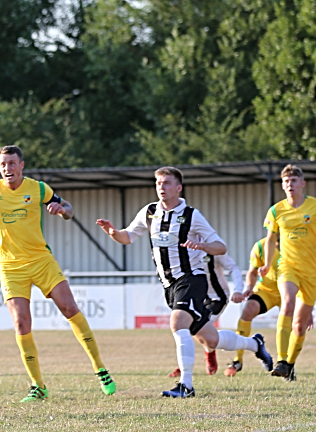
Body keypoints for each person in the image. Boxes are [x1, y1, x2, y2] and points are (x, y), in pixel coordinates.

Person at [0, 145, 116, 401]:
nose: (7, 168)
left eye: (11, 163)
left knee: (69, 308)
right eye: (3, 164)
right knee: (21, 323)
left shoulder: (39, 188)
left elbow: (70, 209)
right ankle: (38, 386)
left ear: (21, 165)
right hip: (10, 267)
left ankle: (100, 368)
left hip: (41, 260)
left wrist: (62, 211)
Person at [96, 166, 273, 398]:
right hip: (169, 285)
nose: (162, 187)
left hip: (192, 279)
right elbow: (127, 236)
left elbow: (221, 247)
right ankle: (255, 345)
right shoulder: (149, 212)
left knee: (178, 322)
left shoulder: (191, 215)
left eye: (167, 183)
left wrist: (201, 246)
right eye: (159, 183)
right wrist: (112, 232)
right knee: (210, 338)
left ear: (178, 188)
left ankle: (186, 386)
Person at [260, 164, 316, 380]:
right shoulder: (276, 210)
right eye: (286, 182)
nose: (289, 184)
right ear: (282, 186)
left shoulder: (313, 207)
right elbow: (271, 239)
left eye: (293, 181)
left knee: (300, 327)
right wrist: (267, 263)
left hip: (311, 272)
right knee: (288, 304)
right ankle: (281, 360)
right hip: (288, 267)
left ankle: (289, 365)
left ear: (302, 184)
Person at [168, 252, 245, 377]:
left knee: (197, 327)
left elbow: (233, 267)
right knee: (186, 327)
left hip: (217, 297)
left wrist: (238, 290)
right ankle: (186, 364)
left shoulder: (213, 245)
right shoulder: (183, 248)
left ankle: (205, 355)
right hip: (197, 297)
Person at [224, 238, 288, 377]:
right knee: (248, 310)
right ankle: (238, 360)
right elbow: (252, 272)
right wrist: (248, 288)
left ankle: (287, 363)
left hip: (289, 290)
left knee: (294, 323)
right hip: (266, 290)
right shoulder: (261, 246)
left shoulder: (297, 242)